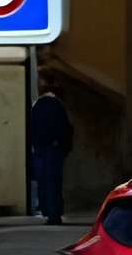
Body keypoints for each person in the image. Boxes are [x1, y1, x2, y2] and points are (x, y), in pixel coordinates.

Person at [27, 84, 73, 224]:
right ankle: (55, 214)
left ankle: (47, 211)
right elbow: (66, 129)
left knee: (43, 182)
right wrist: (63, 148)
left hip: (40, 149)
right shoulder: (58, 106)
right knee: (54, 182)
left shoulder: (37, 106)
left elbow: (31, 128)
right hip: (54, 150)